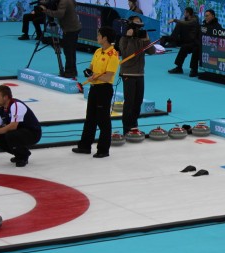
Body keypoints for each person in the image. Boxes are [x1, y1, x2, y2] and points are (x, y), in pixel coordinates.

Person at [72, 26, 119, 158]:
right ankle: (85, 146)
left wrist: (95, 75)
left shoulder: (113, 55)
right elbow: (90, 68)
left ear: (105, 38)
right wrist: (89, 72)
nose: (97, 37)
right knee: (90, 118)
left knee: (103, 120)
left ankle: (103, 149)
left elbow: (109, 76)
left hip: (104, 89)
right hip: (94, 88)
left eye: (99, 35)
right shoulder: (98, 51)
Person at [0, 85, 42, 167]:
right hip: (19, 133)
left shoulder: (16, 105)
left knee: (10, 135)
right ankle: (20, 154)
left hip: (33, 133)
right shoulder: (1, 110)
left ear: (5, 97)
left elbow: (13, 126)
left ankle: (23, 156)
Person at [118, 15, 155, 135]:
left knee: (138, 102)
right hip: (128, 73)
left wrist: (146, 40)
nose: (138, 25)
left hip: (140, 73)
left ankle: (134, 126)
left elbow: (152, 51)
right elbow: (127, 54)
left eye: (140, 22)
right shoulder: (123, 38)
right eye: (136, 23)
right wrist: (129, 38)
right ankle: (126, 129)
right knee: (129, 102)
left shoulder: (141, 36)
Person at [39, 0, 82, 78]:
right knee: (71, 51)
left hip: (71, 29)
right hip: (74, 27)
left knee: (68, 51)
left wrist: (45, 10)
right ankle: (73, 71)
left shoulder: (63, 1)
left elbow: (59, 14)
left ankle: (69, 72)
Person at [167, 7, 200, 77]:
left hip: (195, 42)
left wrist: (174, 20)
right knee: (183, 48)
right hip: (188, 41)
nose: (184, 14)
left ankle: (194, 70)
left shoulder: (194, 20)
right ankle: (179, 68)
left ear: (188, 13)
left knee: (195, 50)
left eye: (185, 12)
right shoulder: (186, 19)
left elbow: (186, 23)